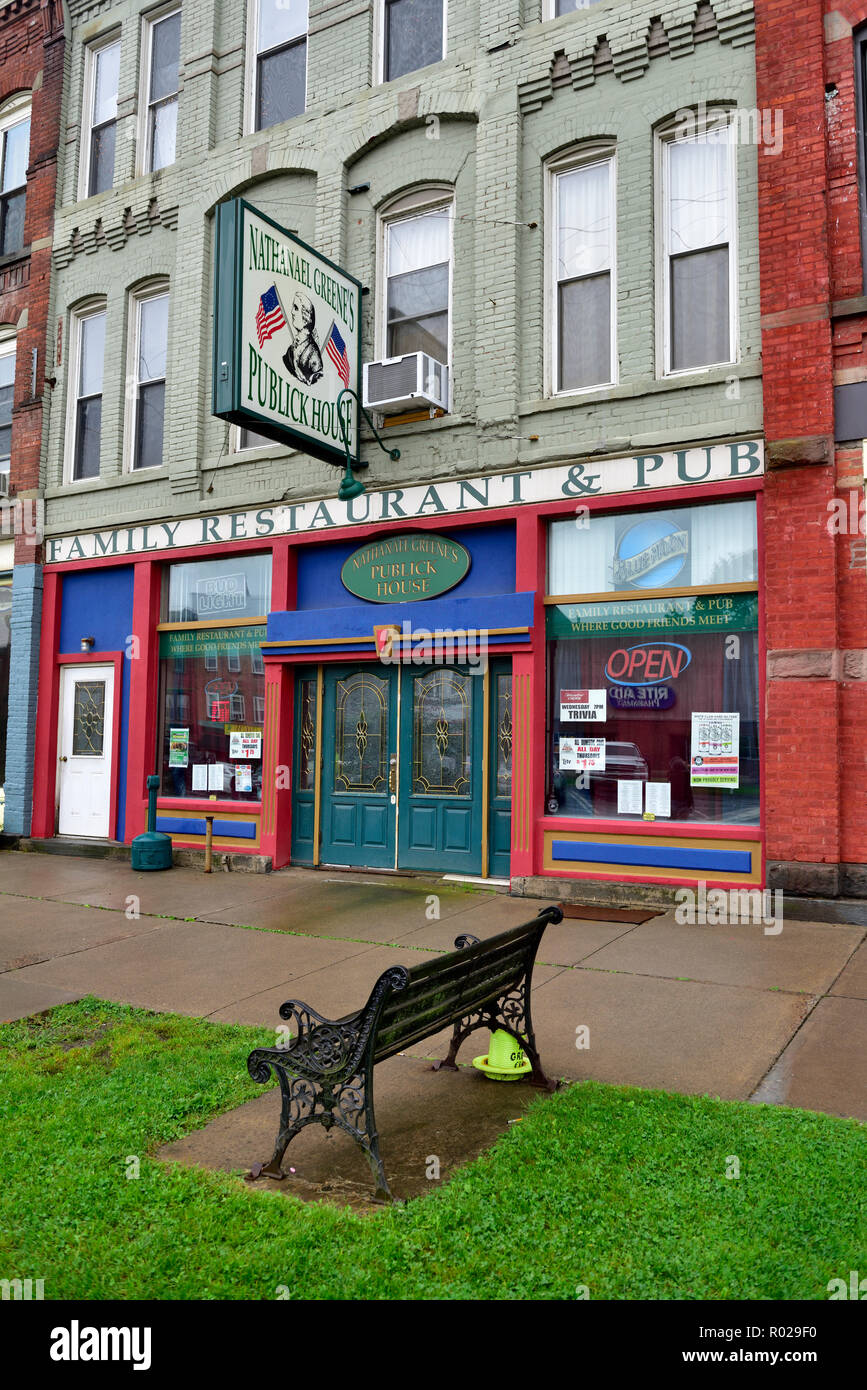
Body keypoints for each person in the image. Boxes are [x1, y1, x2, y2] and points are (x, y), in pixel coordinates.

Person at [282, 292, 323, 385]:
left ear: (306, 316)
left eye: (296, 308)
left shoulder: (313, 353)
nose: (292, 312)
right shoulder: (290, 349)